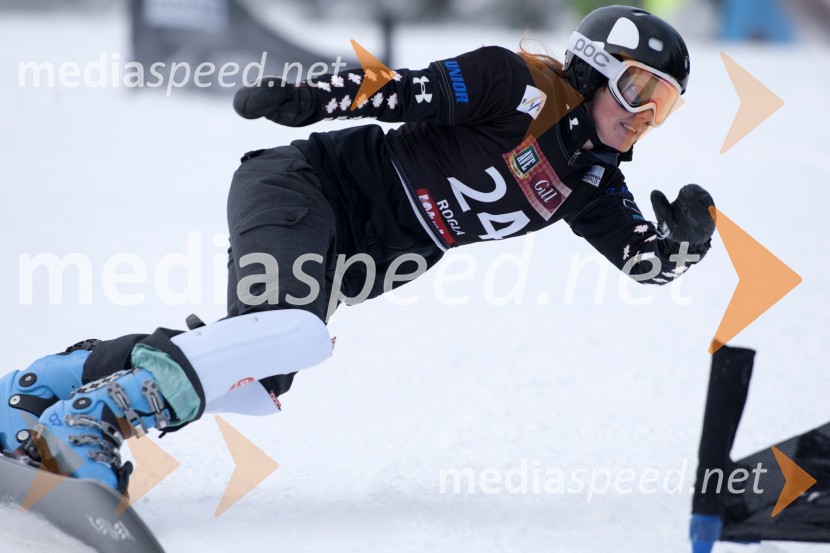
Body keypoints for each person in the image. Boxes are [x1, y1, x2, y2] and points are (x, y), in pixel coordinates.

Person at [1, 2, 714, 510]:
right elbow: (404, 89)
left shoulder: (592, 181)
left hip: (352, 255)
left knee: (256, 375)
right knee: (292, 334)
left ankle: (42, 388)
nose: (644, 113)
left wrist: (681, 248)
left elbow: (643, 261)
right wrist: (312, 97)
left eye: (665, 104)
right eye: (636, 88)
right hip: (302, 185)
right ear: (591, 71)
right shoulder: (515, 85)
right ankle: (87, 420)